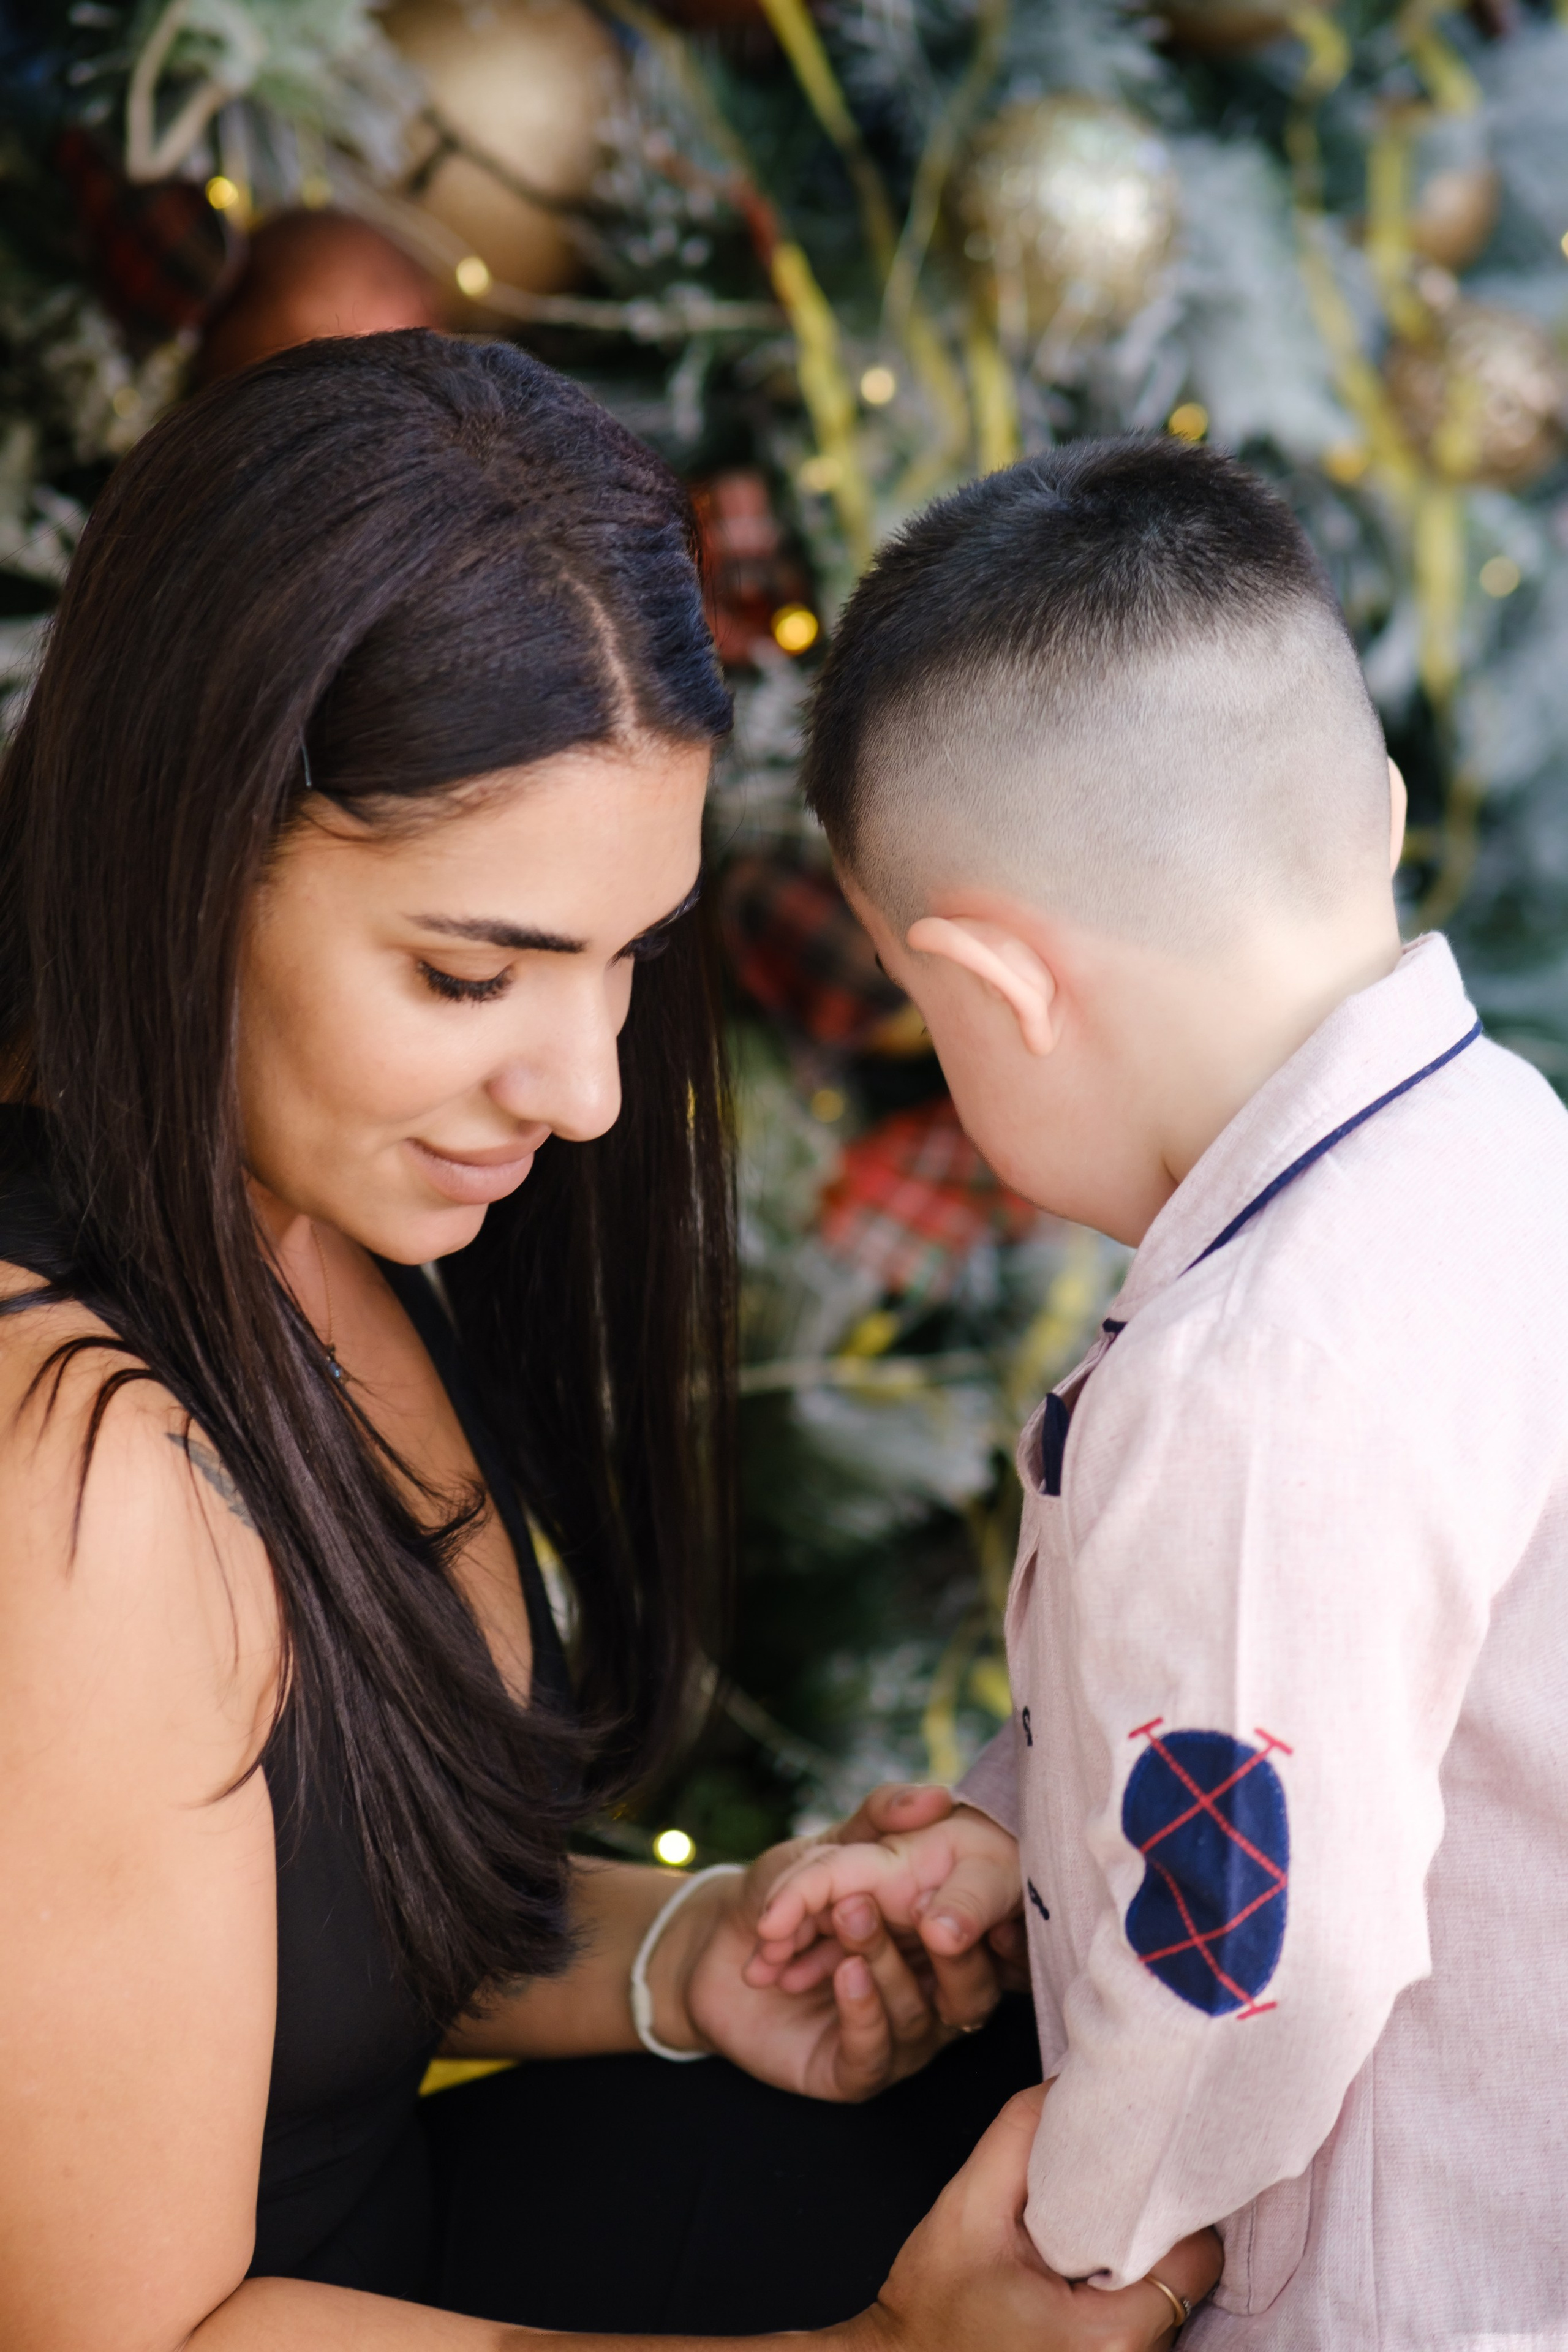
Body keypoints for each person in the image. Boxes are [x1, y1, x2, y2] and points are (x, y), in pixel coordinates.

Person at [0, 335, 1219, 2352]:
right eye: (472, 971)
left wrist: (688, 1947)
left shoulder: (297, 1201)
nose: (581, 1090)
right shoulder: (72, 1470)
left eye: (629, 962)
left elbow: (282, 1929)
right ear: (185, 850)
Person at [753, 435, 1568, 2347]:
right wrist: (1020, 1828)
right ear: (1372, 818)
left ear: (998, 989)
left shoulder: (1255, 1380)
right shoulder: (1502, 1158)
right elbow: (1339, 1720)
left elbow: (1244, 1973)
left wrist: (1078, 2243)